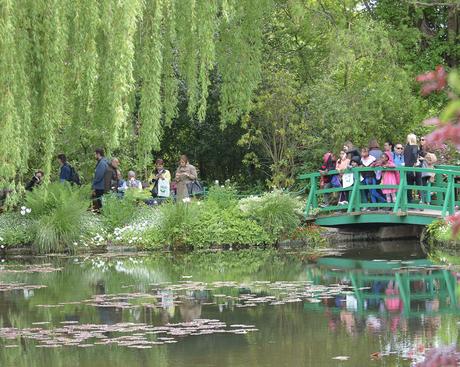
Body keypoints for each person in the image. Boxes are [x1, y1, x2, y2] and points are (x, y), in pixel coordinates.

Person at [404, 133, 422, 203]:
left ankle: (409, 202)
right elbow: (414, 155)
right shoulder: (415, 146)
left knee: (409, 186)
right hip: (415, 168)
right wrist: (415, 162)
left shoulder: (406, 147)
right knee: (419, 184)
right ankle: (421, 201)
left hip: (407, 168)